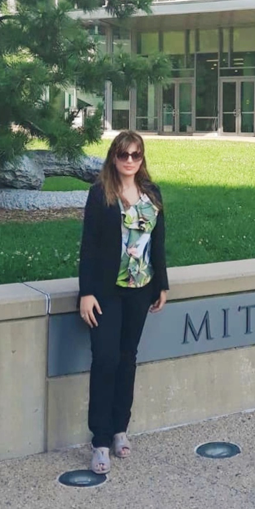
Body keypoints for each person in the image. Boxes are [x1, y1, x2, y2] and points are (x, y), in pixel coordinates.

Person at [78, 130, 169, 475]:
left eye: (136, 155)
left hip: (140, 289)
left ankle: (119, 429)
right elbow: (88, 246)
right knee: (104, 359)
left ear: (142, 159)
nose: (129, 161)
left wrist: (162, 284)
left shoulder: (152, 194)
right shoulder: (100, 194)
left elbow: (157, 242)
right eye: (123, 155)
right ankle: (100, 440)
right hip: (105, 291)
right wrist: (86, 291)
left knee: (127, 358)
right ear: (113, 157)